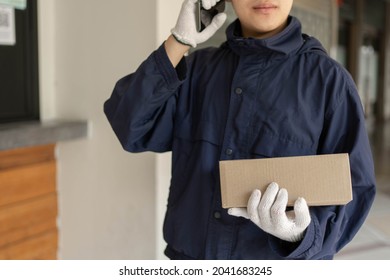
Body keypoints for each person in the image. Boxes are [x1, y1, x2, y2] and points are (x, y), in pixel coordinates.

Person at [104, 0, 376, 259]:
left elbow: (355, 189)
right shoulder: (197, 70)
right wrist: (178, 42)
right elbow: (131, 126)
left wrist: (301, 234)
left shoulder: (329, 82)